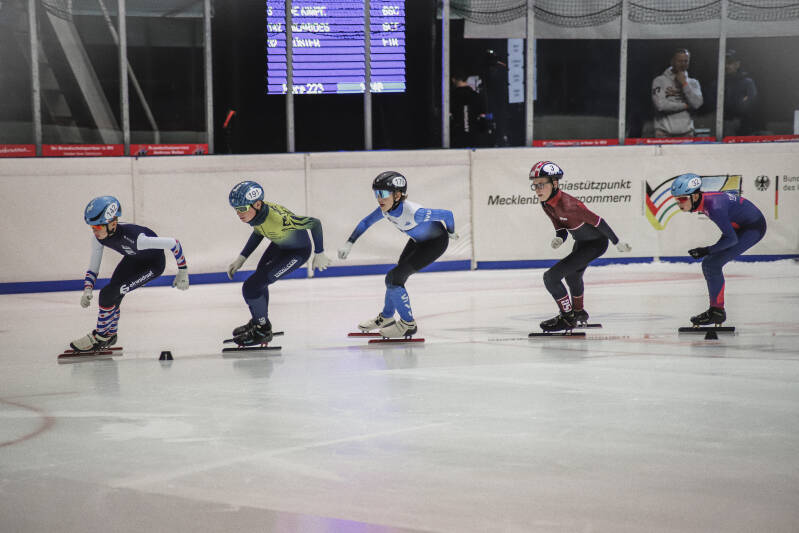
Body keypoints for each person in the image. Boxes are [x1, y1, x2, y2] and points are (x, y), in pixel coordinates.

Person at [337, 171, 458, 338]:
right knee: (395, 278)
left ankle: (408, 324)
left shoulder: (415, 213)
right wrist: (349, 243)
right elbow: (366, 222)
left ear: (397, 195)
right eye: (376, 194)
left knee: (393, 278)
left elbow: (447, 214)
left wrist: (451, 232)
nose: (379, 198)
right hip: (417, 241)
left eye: (383, 193)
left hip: (435, 244)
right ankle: (387, 317)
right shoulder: (386, 209)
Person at [70, 196, 190, 352]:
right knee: (113, 294)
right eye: (92, 227)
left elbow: (174, 243)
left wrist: (183, 271)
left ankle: (100, 337)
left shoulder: (137, 239)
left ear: (113, 223)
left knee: (108, 293)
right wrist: (87, 289)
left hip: (153, 265)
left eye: (98, 227)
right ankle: (110, 334)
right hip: (133, 259)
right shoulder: (99, 238)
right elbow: (94, 267)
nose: (95, 231)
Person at [530, 161, 632, 332]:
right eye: (535, 185)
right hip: (581, 242)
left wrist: (616, 242)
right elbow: (560, 227)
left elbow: (599, 222)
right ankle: (578, 312)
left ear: (554, 184)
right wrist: (559, 238)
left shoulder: (570, 206)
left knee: (551, 278)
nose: (538, 189)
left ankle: (567, 317)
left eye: (541, 184)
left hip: (596, 244)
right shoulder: (545, 203)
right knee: (572, 277)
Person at [226, 180, 331, 346]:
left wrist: (320, 252)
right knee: (259, 280)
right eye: (236, 209)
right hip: (280, 245)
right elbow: (258, 231)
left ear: (257, 204)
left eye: (242, 209)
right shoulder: (259, 214)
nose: (239, 213)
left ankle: (262, 329)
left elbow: (314, 223)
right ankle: (260, 322)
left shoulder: (280, 220)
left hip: (297, 253)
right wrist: (242, 258)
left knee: (251, 287)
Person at [670, 173, 767, 325]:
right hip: (740, 226)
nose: (679, 203)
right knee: (710, 264)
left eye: (682, 199)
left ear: (695, 196)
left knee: (712, 264)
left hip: (752, 228)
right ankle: (716, 310)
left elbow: (731, 239)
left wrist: (706, 250)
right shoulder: (706, 202)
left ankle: (717, 312)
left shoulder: (714, 206)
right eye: (676, 199)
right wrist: (708, 251)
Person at [651, 48, 703, 137]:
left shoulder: (693, 82)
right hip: (664, 133)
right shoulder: (659, 81)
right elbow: (661, 105)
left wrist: (684, 84)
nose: (683, 64)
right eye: (680, 61)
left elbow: (697, 104)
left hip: (687, 133)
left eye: (686, 61)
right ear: (672, 62)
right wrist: (686, 105)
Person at [723, 49, 758, 136]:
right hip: (725, 125)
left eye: (729, 63)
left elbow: (751, 103)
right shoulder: (720, 83)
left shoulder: (748, 82)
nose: (726, 66)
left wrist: (738, 106)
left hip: (745, 126)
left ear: (737, 64)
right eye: (724, 63)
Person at [450, 68, 486, 148]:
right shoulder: (476, 96)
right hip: (474, 137)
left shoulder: (452, 97)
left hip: (457, 138)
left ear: (453, 80)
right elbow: (483, 118)